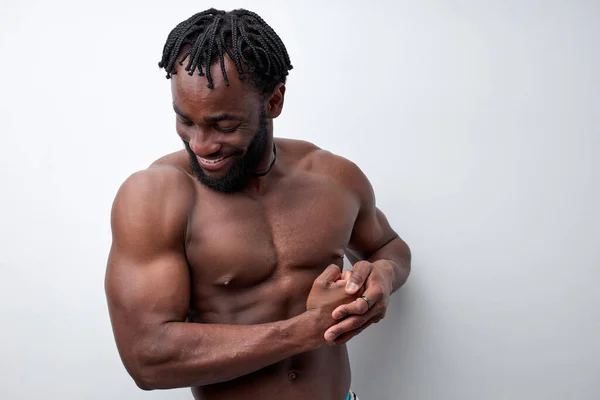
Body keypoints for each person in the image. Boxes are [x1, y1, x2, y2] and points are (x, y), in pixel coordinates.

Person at [104, 8, 411, 400]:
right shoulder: (155, 197)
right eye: (186, 121)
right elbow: (147, 359)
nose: (201, 145)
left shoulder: (333, 178)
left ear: (274, 101)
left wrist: (385, 274)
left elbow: (389, 245)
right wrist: (304, 330)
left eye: (224, 125)